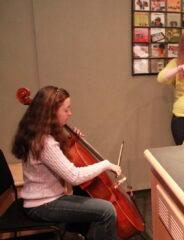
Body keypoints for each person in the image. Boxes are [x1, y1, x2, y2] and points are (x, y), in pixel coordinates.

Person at [12, 86, 122, 240]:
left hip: (40, 200)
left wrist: (71, 141)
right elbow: (73, 176)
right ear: (51, 112)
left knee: (84, 192)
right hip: (43, 205)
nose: (70, 114)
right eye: (66, 110)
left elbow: (57, 162)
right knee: (107, 210)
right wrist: (105, 164)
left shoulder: (38, 133)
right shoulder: (45, 142)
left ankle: (78, 233)